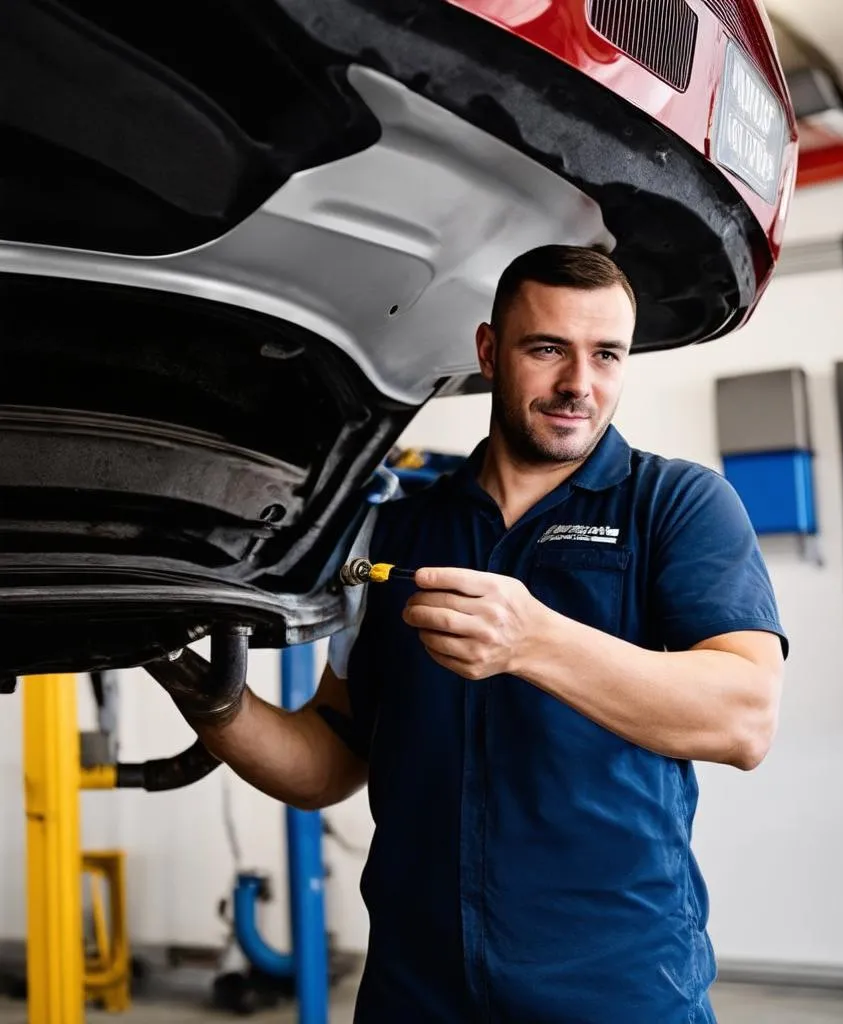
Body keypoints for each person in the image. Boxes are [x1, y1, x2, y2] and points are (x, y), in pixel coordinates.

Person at [153, 244, 788, 1022]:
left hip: (615, 986)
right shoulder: (395, 529)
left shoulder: (674, 504)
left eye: (607, 355)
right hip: (418, 988)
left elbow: (745, 716)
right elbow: (326, 760)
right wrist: (205, 693)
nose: (578, 386)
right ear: (489, 352)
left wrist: (533, 642)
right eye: (548, 348)